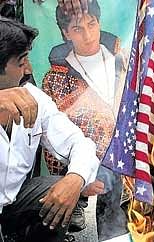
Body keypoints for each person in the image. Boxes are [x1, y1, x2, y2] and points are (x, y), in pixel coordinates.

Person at [0, 17, 100, 242]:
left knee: (58, 188)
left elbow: (78, 142)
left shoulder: (33, 97)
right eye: (22, 61)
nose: (29, 68)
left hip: (14, 203)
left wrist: (75, 178)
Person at [42, 0, 128, 240]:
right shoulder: (55, 78)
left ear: (100, 22)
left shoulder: (125, 58)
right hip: (89, 162)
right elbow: (51, 139)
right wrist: (77, 176)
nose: (89, 35)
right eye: (78, 29)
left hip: (126, 154)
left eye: (92, 24)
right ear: (65, 33)